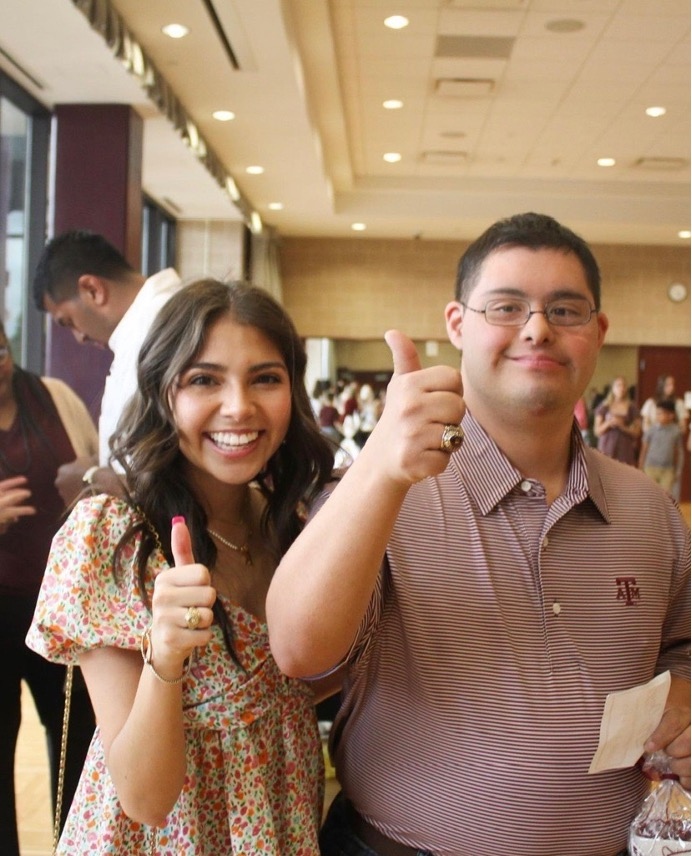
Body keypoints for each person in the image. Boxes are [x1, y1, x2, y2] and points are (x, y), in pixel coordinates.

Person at [266, 213, 690, 856]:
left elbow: (680, 650)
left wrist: (685, 698)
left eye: (565, 309)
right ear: (457, 324)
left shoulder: (650, 510)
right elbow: (297, 654)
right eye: (506, 306)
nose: (538, 328)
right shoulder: (383, 492)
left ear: (598, 332)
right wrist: (381, 468)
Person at [27, 280, 335, 854]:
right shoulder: (115, 539)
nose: (239, 406)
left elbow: (289, 690)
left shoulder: (293, 527)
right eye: (204, 379)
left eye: (265, 378)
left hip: (278, 829)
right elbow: (145, 800)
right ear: (161, 393)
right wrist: (164, 656)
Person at [0, 322, 98, 856]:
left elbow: (98, 467)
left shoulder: (53, 397)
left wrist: (87, 482)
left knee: (77, 742)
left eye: (1, 348)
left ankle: (78, 846)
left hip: (62, 604)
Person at [32, 229, 183, 501]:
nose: (79, 337)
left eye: (68, 322)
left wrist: (89, 478)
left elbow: (160, 476)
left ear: (93, 289)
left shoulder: (160, 332)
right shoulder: (145, 329)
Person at [639, 399, 684, 497]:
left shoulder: (676, 431)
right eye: (657, 413)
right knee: (651, 495)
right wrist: (640, 467)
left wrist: (677, 470)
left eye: (661, 413)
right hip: (650, 468)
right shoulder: (651, 430)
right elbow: (644, 449)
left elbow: (678, 452)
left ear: (671, 415)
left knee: (665, 495)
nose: (657, 416)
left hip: (667, 470)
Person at [593, 375, 641, 465]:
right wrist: (609, 423)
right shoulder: (604, 407)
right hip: (606, 448)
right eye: (618, 385)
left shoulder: (632, 408)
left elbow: (636, 432)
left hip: (625, 449)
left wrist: (622, 426)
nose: (621, 388)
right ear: (613, 388)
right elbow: (597, 431)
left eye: (624, 386)